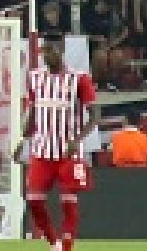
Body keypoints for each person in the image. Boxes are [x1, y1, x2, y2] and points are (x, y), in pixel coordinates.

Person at [23, 37, 95, 251]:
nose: (48, 55)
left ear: (62, 51)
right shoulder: (35, 78)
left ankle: (66, 247)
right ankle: (53, 242)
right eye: (45, 51)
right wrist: (23, 138)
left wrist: (77, 140)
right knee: (33, 200)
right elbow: (34, 110)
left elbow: (95, 115)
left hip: (68, 152)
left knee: (68, 201)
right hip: (42, 149)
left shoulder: (79, 79)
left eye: (52, 50)